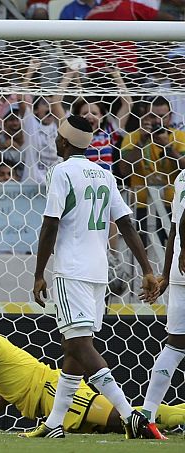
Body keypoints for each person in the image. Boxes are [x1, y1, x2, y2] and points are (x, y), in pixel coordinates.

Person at [28, 115, 162, 439]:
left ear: (63, 141)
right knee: (72, 349)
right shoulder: (104, 175)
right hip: (98, 272)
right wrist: (146, 269)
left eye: (57, 138)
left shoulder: (61, 172)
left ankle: (130, 415)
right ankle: (54, 424)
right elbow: (128, 224)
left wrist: (38, 274)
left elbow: (50, 224)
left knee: (80, 345)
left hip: (71, 271)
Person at [0, 315, 185, 433]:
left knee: (127, 420)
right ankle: (172, 416)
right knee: (124, 425)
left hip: (53, 391)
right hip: (48, 401)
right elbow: (9, 390)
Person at [142, 168, 185, 431]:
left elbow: (173, 229)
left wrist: (167, 274)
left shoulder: (180, 176)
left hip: (180, 269)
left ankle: (146, 414)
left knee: (175, 346)